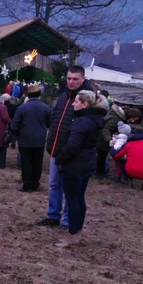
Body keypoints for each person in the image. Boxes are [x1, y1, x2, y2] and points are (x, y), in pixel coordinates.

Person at [37, 66, 94, 228]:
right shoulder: (63, 96)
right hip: (56, 149)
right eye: (69, 78)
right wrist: (51, 144)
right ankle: (53, 215)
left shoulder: (86, 99)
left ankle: (68, 220)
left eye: (75, 79)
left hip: (72, 153)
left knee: (70, 188)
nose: (71, 82)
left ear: (83, 79)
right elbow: (56, 120)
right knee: (54, 184)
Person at [53, 91, 107, 247]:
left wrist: (60, 158)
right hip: (87, 164)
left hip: (75, 166)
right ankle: (76, 232)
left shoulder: (82, 122)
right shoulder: (94, 120)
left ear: (85, 104)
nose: (72, 104)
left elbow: (72, 146)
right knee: (79, 198)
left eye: (76, 101)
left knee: (73, 200)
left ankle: (72, 235)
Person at [10, 84, 51, 192]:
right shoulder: (46, 108)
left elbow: (14, 125)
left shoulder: (22, 108)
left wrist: (16, 135)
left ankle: (27, 184)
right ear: (39, 95)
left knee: (26, 162)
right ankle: (35, 182)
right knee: (37, 162)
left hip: (25, 139)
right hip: (40, 139)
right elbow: (50, 123)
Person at [95, 95, 126, 178]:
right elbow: (106, 129)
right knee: (101, 156)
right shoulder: (116, 119)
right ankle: (100, 174)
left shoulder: (111, 113)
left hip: (100, 138)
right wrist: (109, 139)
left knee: (100, 156)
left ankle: (100, 172)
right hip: (102, 139)